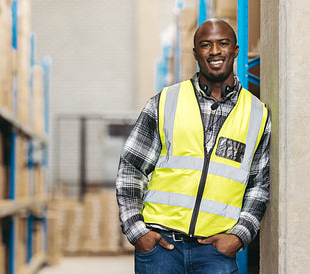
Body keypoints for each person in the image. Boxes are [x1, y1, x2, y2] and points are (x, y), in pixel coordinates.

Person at [116, 18, 271, 273]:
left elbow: (259, 186)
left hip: (215, 253)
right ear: (195, 53)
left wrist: (238, 237)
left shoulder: (257, 114)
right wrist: (137, 232)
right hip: (160, 249)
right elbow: (131, 167)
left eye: (223, 43)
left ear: (235, 50)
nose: (215, 51)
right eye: (205, 45)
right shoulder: (165, 101)